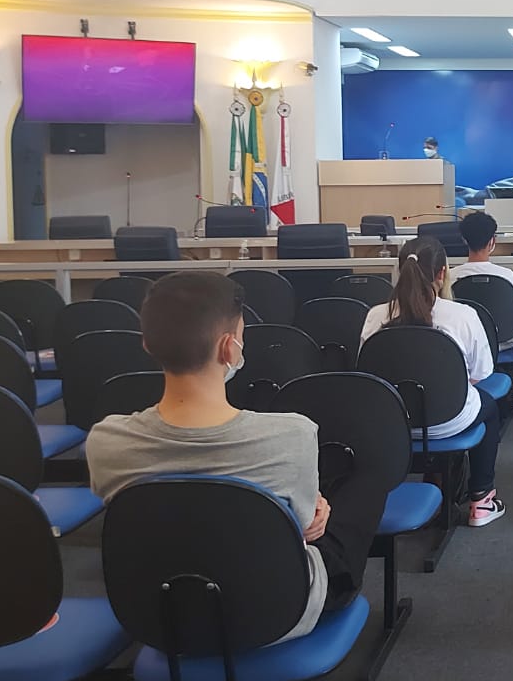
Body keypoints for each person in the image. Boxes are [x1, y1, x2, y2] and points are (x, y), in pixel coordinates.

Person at [88, 272, 384, 641]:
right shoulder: (292, 434)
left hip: (162, 614)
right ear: (229, 349)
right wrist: (315, 507)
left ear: (147, 343)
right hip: (279, 612)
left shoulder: (106, 442)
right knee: (363, 484)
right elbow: (306, 528)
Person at [362, 237, 507, 527]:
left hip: (393, 424)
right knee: (490, 407)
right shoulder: (463, 315)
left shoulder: (376, 315)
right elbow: (482, 373)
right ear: (442, 273)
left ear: (399, 271)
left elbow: (369, 375)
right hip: (449, 420)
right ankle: (481, 499)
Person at [451, 211, 513, 347]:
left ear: (464, 240)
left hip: (465, 347)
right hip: (502, 345)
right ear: (492, 241)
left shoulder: (451, 276)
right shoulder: (507, 275)